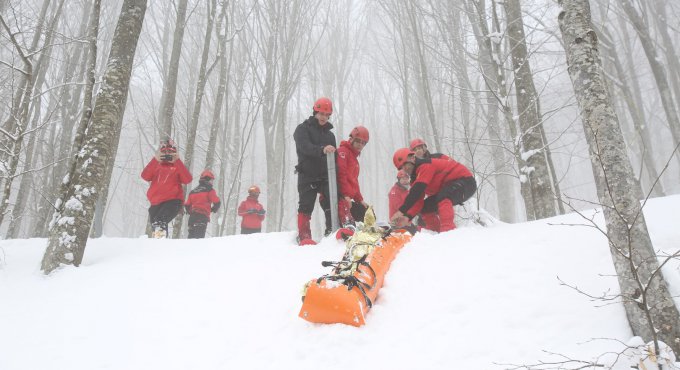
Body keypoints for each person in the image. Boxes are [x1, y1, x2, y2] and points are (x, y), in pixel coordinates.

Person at [389, 147, 476, 232]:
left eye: (405, 164)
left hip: (466, 182)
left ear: (412, 158)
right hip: (449, 187)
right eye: (401, 168)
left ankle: (448, 231)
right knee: (425, 208)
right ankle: (435, 232)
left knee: (443, 196)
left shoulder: (425, 165)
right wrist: (407, 217)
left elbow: (417, 190)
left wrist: (401, 211)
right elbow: (417, 201)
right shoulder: (415, 178)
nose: (405, 169)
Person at [293, 97, 337, 245]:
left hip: (326, 175)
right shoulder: (302, 129)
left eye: (327, 115)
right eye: (321, 113)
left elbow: (335, 157)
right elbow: (304, 147)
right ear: (315, 112)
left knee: (331, 202)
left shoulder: (330, 135)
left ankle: (332, 231)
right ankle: (304, 236)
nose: (324, 117)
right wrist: (321, 150)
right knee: (306, 206)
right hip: (307, 173)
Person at [141, 139, 192, 238]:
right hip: (155, 202)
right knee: (156, 224)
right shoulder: (156, 165)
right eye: (164, 152)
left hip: (173, 201)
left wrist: (177, 161)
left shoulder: (177, 166)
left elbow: (187, 179)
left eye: (170, 152)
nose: (167, 154)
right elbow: (145, 176)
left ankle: (160, 244)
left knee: (160, 221)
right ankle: (160, 244)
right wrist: (155, 159)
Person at [336, 125, 370, 226]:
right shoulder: (343, 152)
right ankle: (344, 233)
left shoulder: (354, 158)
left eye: (363, 143)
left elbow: (354, 181)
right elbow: (341, 175)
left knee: (367, 213)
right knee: (348, 221)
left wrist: (360, 199)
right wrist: (346, 195)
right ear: (351, 139)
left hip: (346, 197)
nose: (360, 145)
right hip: (339, 196)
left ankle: (370, 233)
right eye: (358, 141)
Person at [184, 170, 221, 239]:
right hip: (202, 217)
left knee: (190, 239)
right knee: (198, 241)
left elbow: (187, 205)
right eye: (211, 180)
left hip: (192, 218)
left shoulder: (193, 191)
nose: (212, 182)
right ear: (207, 179)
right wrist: (213, 209)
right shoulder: (209, 190)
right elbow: (217, 202)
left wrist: (191, 212)